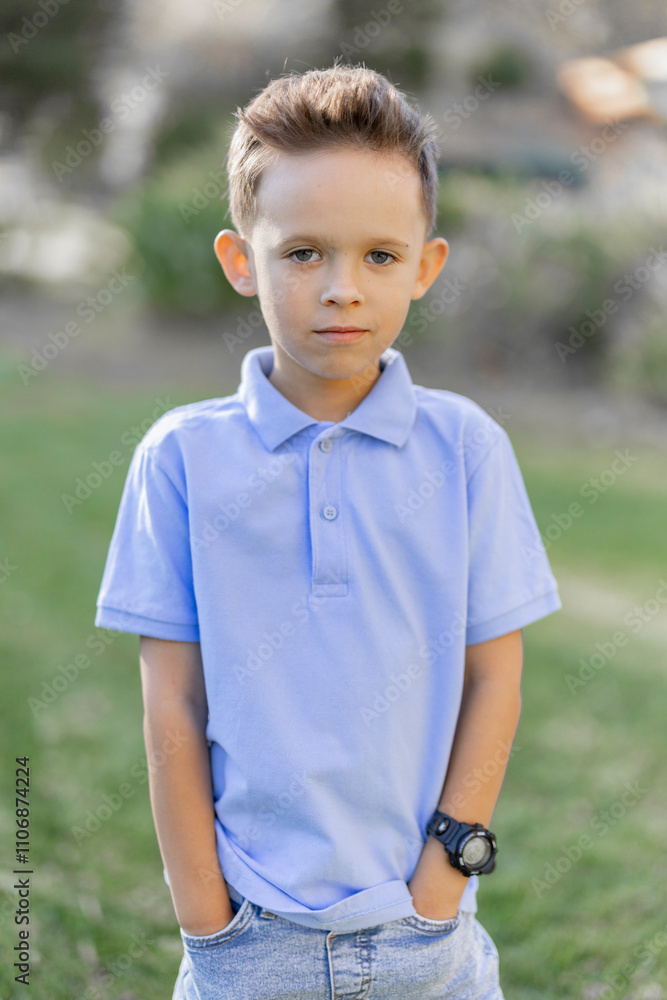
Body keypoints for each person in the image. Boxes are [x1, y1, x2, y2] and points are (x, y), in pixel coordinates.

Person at [95, 63, 562, 1000]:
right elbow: (171, 705)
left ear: (425, 265)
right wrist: (205, 916)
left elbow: (494, 676)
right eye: (302, 253)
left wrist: (442, 882)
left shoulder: (465, 449)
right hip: (245, 937)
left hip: (426, 936)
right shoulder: (182, 459)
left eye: (379, 256)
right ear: (240, 261)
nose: (341, 289)